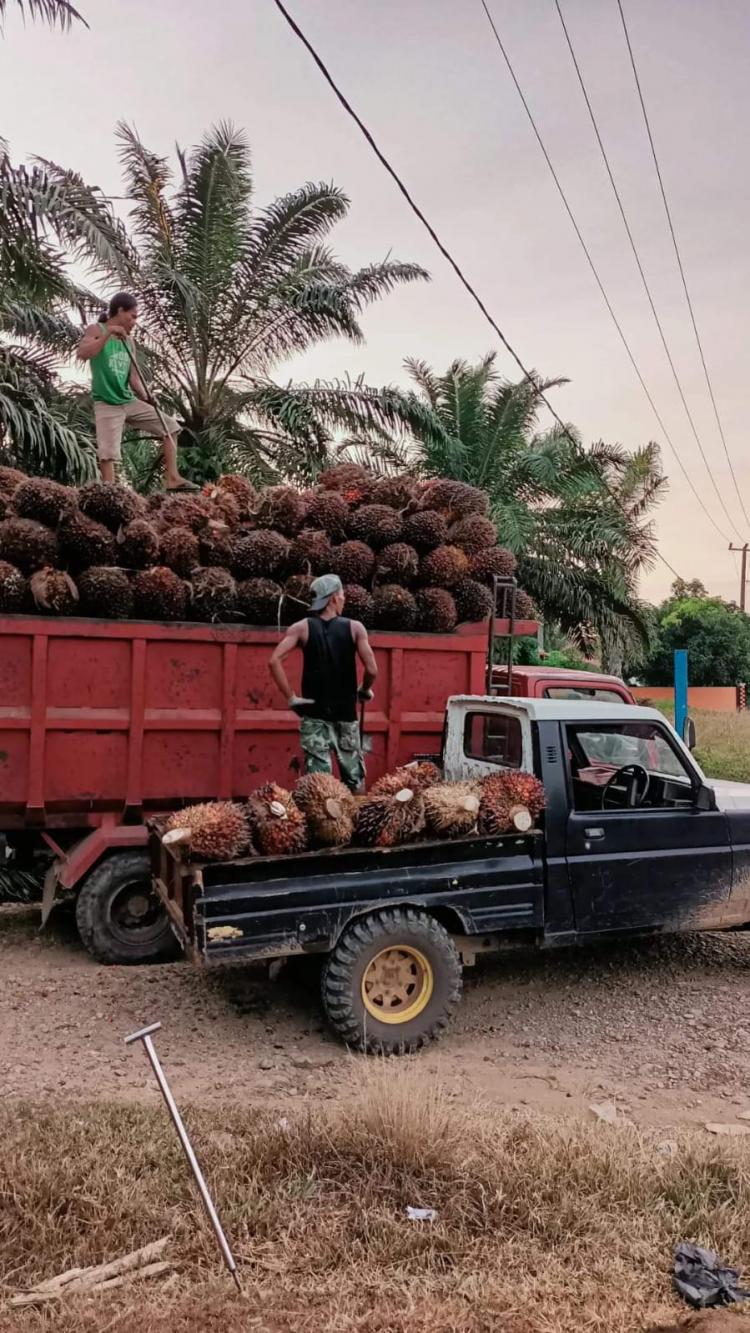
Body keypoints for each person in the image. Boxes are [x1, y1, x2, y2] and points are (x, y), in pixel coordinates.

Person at [269, 574, 378, 792]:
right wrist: (364, 689)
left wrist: (291, 697)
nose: (344, 599)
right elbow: (372, 670)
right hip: (346, 717)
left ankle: (321, 823)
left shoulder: (301, 628)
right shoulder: (355, 628)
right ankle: (356, 823)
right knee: (354, 781)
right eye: (342, 595)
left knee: (319, 787)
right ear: (333, 598)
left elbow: (274, 661)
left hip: (314, 718)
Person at [77, 292, 196, 490]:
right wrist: (108, 334)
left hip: (128, 401)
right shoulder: (96, 329)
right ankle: (110, 493)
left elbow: (132, 377)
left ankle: (173, 478)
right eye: (132, 316)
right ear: (120, 311)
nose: (134, 322)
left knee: (171, 427)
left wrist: (147, 397)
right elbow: (83, 353)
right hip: (107, 402)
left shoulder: (129, 342)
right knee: (108, 453)